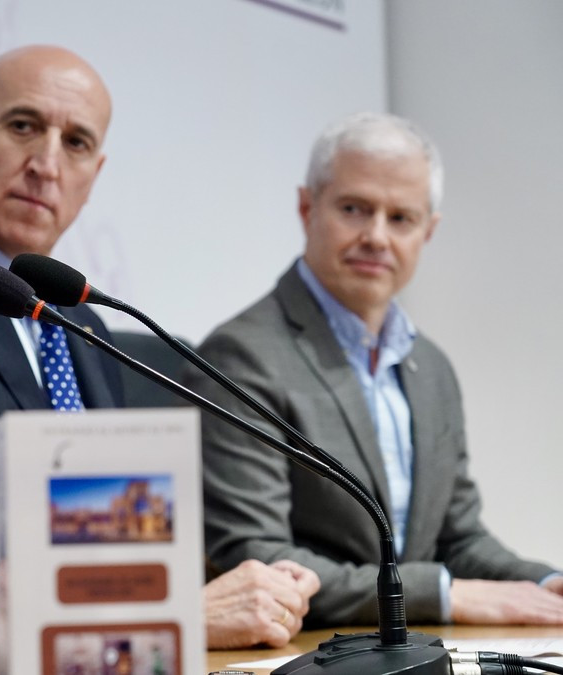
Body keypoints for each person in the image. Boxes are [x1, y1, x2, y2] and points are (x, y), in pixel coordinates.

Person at [0, 45, 319, 649]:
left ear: (96, 172)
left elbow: (122, 536)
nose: (46, 163)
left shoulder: (81, 320)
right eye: (23, 126)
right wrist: (175, 614)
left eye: (76, 143)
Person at [190, 111, 563, 627]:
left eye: (401, 218)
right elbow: (258, 558)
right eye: (354, 208)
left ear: (427, 232)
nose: (377, 236)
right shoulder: (240, 356)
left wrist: (545, 583)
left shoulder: (431, 366)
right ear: (307, 208)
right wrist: (445, 595)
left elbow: (459, 538)